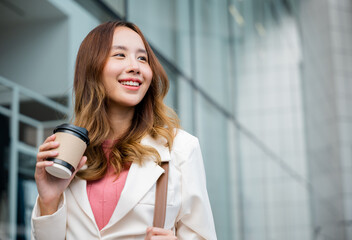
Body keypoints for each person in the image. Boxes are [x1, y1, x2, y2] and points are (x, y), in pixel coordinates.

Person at [31, 20, 217, 240]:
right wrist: (49, 201)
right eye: (120, 55)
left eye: (142, 58)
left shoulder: (181, 149)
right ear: (92, 67)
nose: (135, 67)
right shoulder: (70, 154)